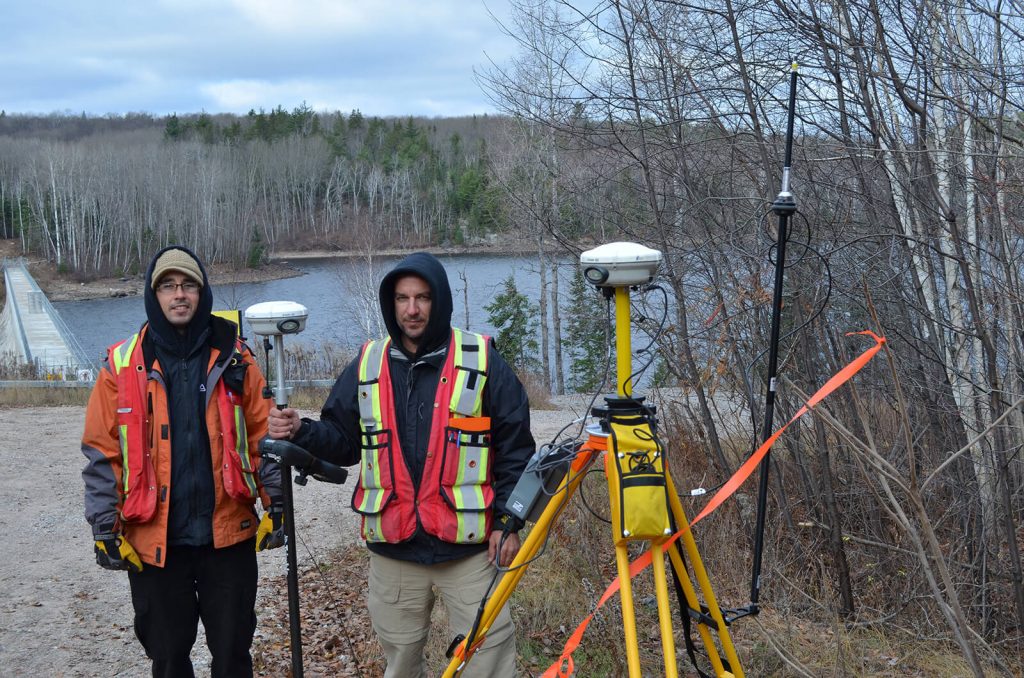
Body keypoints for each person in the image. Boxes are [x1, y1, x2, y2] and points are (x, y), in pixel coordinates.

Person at [268, 252, 534, 678]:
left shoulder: (482, 361)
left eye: (423, 298)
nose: (412, 309)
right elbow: (343, 442)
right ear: (391, 304)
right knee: (402, 662)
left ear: (439, 300)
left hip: (469, 551)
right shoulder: (367, 364)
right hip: (393, 551)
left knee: (488, 659)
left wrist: (509, 521)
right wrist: (301, 429)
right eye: (402, 299)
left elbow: (516, 448)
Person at [82, 245, 283, 678]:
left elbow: (264, 437)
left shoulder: (237, 357)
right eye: (168, 286)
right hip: (155, 544)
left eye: (188, 285)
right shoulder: (120, 365)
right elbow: (102, 452)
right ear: (153, 296)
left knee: (232, 658)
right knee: (169, 660)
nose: (179, 295)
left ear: (202, 292)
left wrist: (277, 504)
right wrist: (104, 525)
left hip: (227, 537)